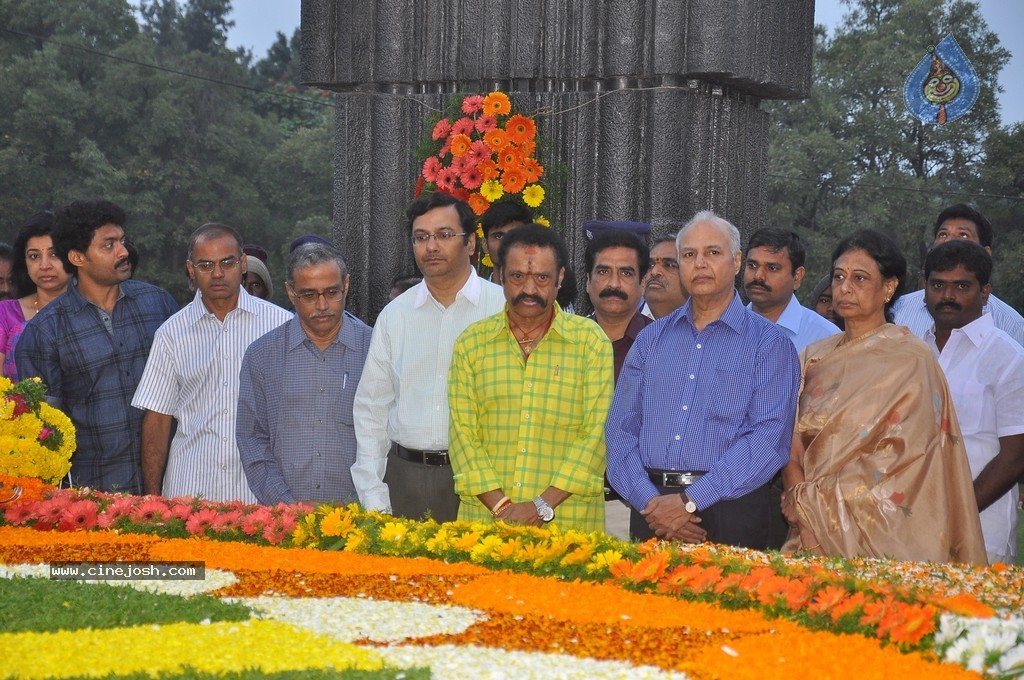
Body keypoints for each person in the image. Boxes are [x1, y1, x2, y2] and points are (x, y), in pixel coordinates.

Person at [781, 229, 986, 565]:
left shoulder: (911, 359)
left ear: (889, 288)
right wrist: (798, 501)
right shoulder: (812, 358)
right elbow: (787, 439)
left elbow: (904, 454)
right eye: (838, 277)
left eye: (860, 278)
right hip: (807, 525)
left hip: (883, 532)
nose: (844, 288)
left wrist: (814, 505)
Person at [606, 211, 800, 549]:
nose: (700, 264)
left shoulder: (770, 344)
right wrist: (650, 503)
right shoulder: (650, 341)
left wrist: (689, 501)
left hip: (730, 507)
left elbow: (768, 439)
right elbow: (620, 430)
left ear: (737, 261)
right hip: (651, 507)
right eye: (689, 255)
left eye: (713, 252)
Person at [449, 224, 613, 531]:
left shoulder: (590, 342)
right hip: (485, 525)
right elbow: (462, 437)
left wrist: (541, 505)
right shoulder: (472, 344)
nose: (529, 289)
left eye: (542, 278)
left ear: (560, 279)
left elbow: (596, 435)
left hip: (568, 526)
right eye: (517, 277)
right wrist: (502, 507)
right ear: (499, 276)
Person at [353, 193, 506, 521]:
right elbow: (372, 410)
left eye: (444, 235)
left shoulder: (502, 308)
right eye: (421, 237)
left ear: (470, 245)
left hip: (487, 482)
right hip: (406, 478)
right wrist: (373, 494)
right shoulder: (396, 315)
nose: (431, 246)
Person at [16, 199, 178, 493]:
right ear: (78, 257)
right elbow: (43, 432)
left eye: (122, 241)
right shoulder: (45, 332)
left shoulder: (158, 305)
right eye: (109, 245)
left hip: (171, 487)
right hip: (91, 498)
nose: (123, 252)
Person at [132, 224, 292, 502]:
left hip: (262, 494)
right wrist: (152, 501)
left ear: (242, 264)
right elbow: (157, 421)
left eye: (227, 262)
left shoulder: (281, 326)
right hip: (190, 491)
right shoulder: (171, 333)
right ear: (191, 270)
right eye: (205, 265)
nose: (217, 273)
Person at [237, 243, 372, 505]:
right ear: (290, 292)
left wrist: (359, 505)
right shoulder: (262, 355)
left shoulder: (376, 349)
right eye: (309, 295)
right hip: (283, 522)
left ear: (346, 285)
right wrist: (286, 506)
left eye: (331, 292)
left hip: (361, 520)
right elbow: (252, 439)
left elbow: (391, 438)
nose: (322, 305)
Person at [923, 240, 1024, 564]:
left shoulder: (1008, 357)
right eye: (938, 285)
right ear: (925, 289)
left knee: (968, 618)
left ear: (985, 293)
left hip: (981, 533)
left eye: (962, 286)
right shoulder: (912, 352)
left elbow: (1014, 458)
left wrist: (954, 514)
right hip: (910, 531)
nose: (947, 296)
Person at [894, 204, 1024, 347]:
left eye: (963, 235)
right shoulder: (897, 310)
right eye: (943, 234)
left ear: (986, 253)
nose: (949, 241)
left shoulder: (1012, 325)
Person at [0, 212, 71, 379]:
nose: (44, 265)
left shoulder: (91, 309)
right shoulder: (5, 314)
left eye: (54, 254)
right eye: (34, 256)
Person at [743, 229, 839, 352]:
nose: (758, 276)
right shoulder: (723, 327)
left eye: (772, 268)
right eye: (752, 265)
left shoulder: (825, 337)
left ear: (797, 277)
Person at [584, 229, 652, 381]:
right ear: (588, 282)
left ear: (642, 283)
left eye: (625, 273)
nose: (614, 284)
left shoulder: (661, 343)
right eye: (603, 272)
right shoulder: (568, 340)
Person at [480, 199, 533, 280]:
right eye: (498, 236)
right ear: (485, 245)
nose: (506, 243)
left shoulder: (545, 292)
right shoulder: (473, 293)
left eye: (515, 235)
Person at [641, 236, 688, 319]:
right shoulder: (619, 325)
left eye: (669, 265)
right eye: (650, 265)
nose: (654, 272)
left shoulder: (710, 327)